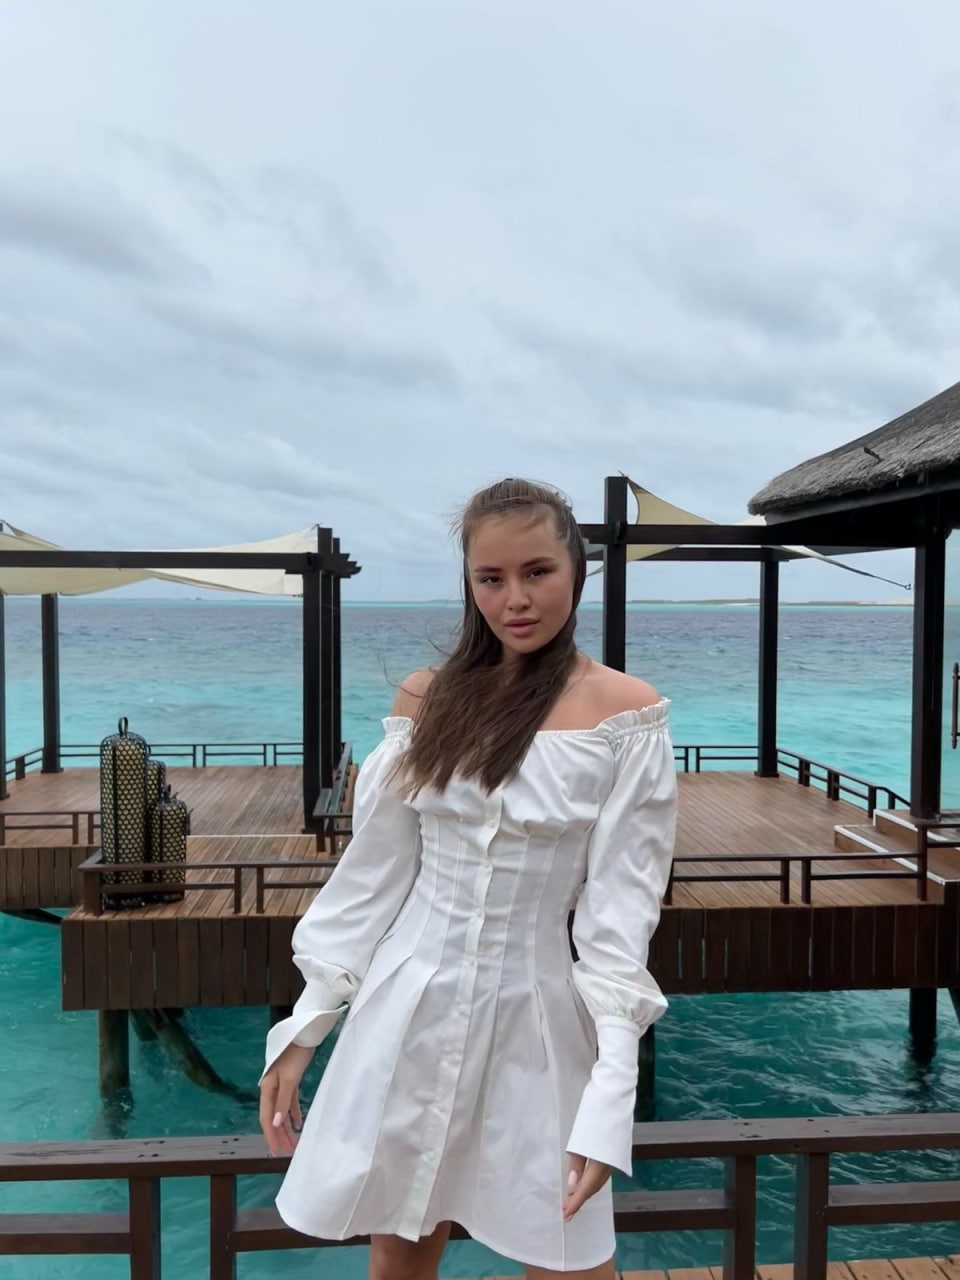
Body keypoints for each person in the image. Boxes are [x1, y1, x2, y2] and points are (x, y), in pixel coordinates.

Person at [259, 478, 677, 1280]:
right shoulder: (429, 697)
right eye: (491, 578)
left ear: (576, 569)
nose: (514, 599)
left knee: (569, 1256)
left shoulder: (624, 714)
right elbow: (373, 878)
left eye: (536, 572)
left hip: (538, 1021)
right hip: (407, 1009)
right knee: (400, 1247)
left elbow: (620, 913)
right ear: (469, 582)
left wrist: (612, 1090)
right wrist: (304, 1027)